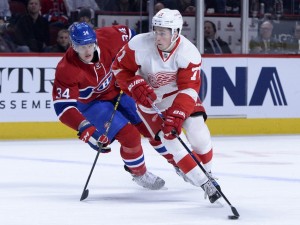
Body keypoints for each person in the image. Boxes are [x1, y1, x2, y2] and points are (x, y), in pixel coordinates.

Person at [112, 8, 221, 203]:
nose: (157, 36)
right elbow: (119, 69)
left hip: (179, 96)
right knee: (171, 141)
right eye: (156, 30)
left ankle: (209, 172)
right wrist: (132, 84)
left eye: (163, 32)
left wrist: (177, 114)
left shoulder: (189, 53)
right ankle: (205, 183)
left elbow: (189, 89)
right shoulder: (138, 45)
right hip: (150, 103)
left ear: (176, 33)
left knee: (198, 133)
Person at [52, 22, 165, 190]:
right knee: (130, 135)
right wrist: (85, 129)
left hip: (118, 89)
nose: (87, 51)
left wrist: (131, 67)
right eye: (82, 47)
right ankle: (139, 173)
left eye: (90, 45)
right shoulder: (66, 68)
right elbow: (63, 107)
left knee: (153, 126)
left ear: (96, 40)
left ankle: (180, 164)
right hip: (93, 104)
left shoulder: (110, 37)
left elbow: (133, 37)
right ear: (72, 45)